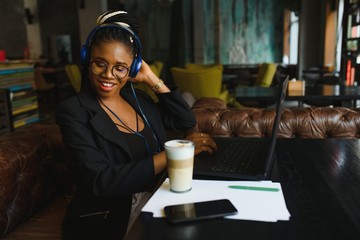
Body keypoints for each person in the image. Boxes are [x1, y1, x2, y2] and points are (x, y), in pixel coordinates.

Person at [55, 10, 216, 240]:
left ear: (132, 68)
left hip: (160, 196)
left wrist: (152, 79)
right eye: (99, 63)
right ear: (86, 59)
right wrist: (174, 154)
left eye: (120, 67)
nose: (108, 75)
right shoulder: (73, 111)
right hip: (112, 214)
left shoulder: (139, 100)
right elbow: (102, 182)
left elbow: (185, 120)